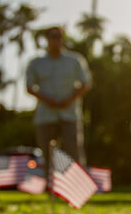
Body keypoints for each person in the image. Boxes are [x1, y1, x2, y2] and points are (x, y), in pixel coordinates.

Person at [26, 25, 92, 181]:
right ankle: (50, 185)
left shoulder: (75, 60)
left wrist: (68, 100)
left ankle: (75, 184)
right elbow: (30, 87)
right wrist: (48, 100)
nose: (55, 40)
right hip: (45, 114)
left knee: (72, 151)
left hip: (69, 114)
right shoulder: (37, 63)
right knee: (47, 153)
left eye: (58, 36)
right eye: (52, 36)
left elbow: (85, 83)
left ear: (62, 39)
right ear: (47, 40)